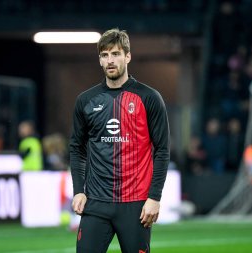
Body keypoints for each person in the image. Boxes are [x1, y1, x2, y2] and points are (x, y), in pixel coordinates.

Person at [69, 28, 170, 253]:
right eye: (104, 55)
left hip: (136, 205)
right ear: (100, 60)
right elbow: (77, 149)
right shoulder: (85, 101)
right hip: (96, 203)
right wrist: (78, 190)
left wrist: (154, 197)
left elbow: (162, 150)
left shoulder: (149, 98)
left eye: (115, 54)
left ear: (128, 56)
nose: (110, 60)